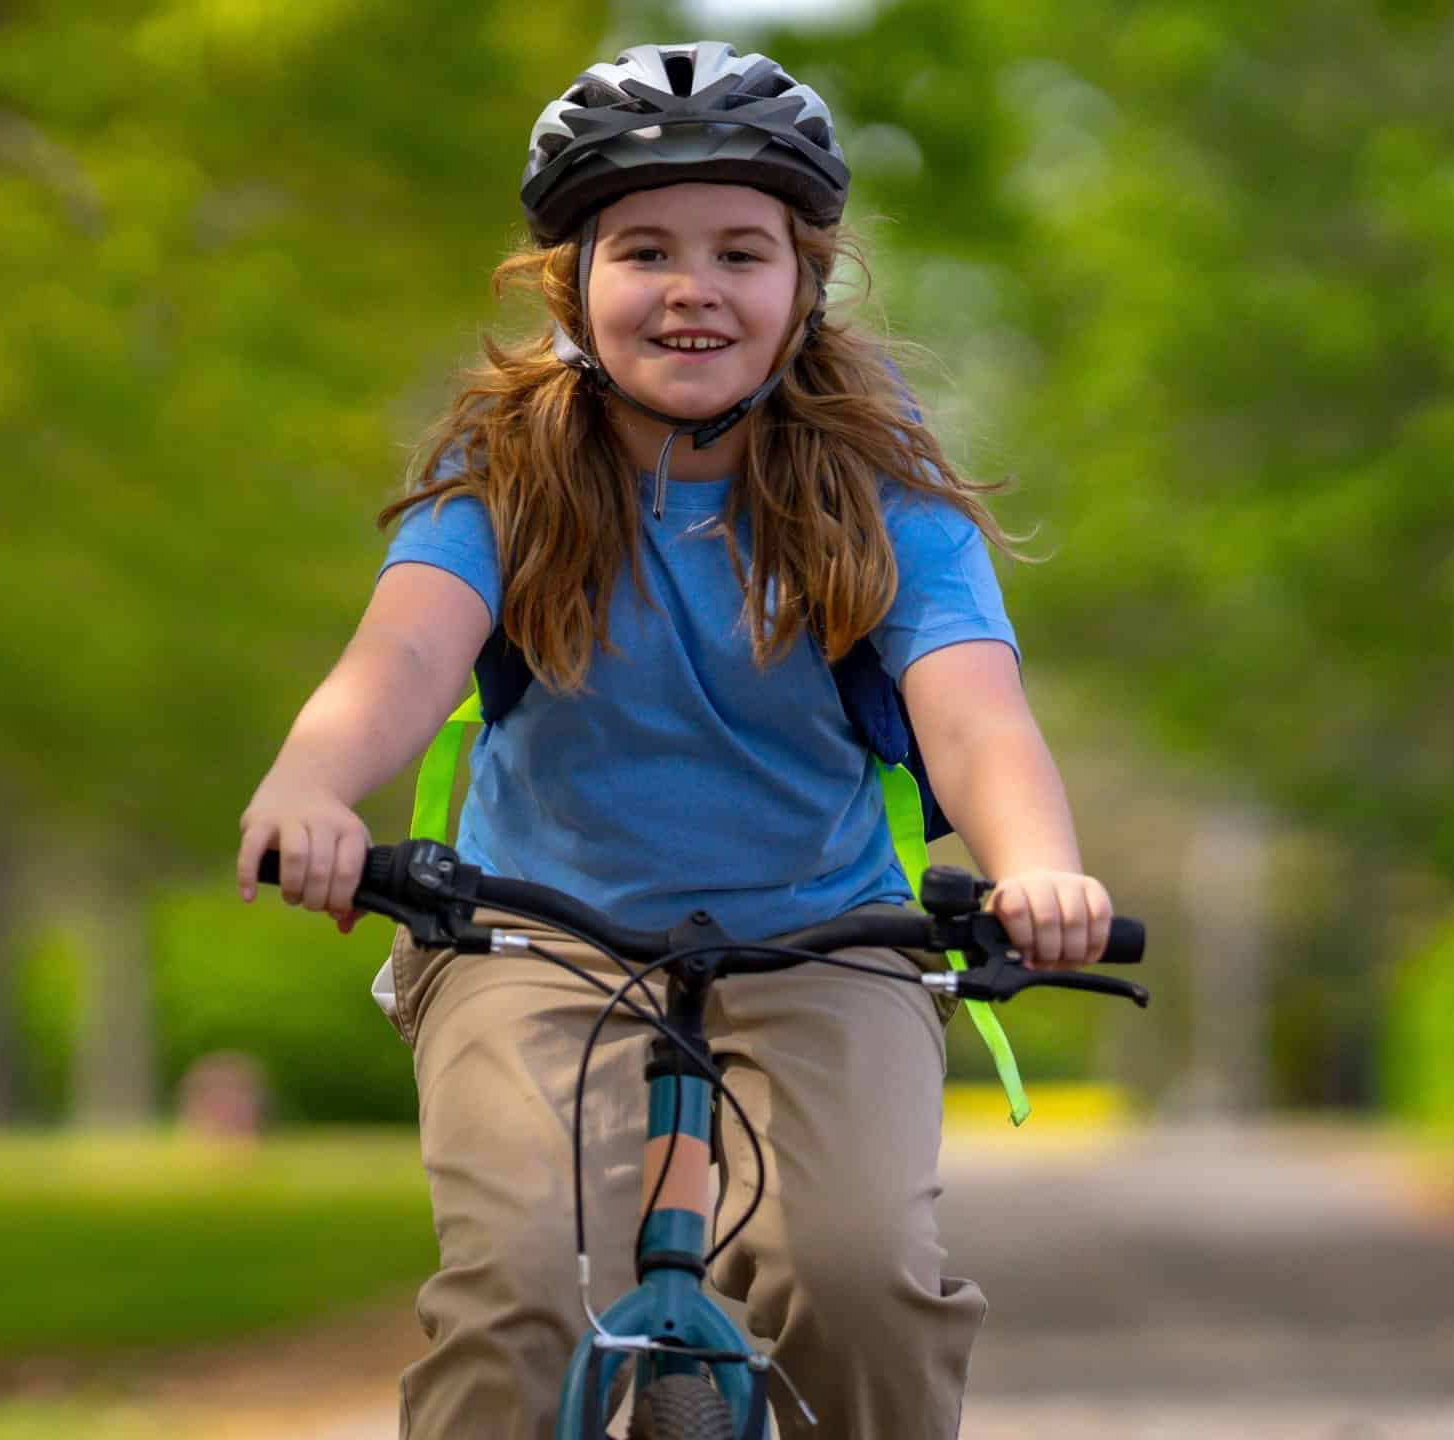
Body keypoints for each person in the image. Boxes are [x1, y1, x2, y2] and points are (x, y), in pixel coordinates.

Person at [235, 41, 1114, 1440]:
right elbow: (400, 656)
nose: (693, 286)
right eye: (645, 250)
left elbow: (974, 714)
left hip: (824, 942)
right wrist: (311, 786)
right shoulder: (506, 479)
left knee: (859, 1285)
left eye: (739, 254)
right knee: (517, 1296)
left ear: (806, 286)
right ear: (572, 283)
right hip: (531, 940)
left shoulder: (885, 496)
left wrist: (1038, 868)